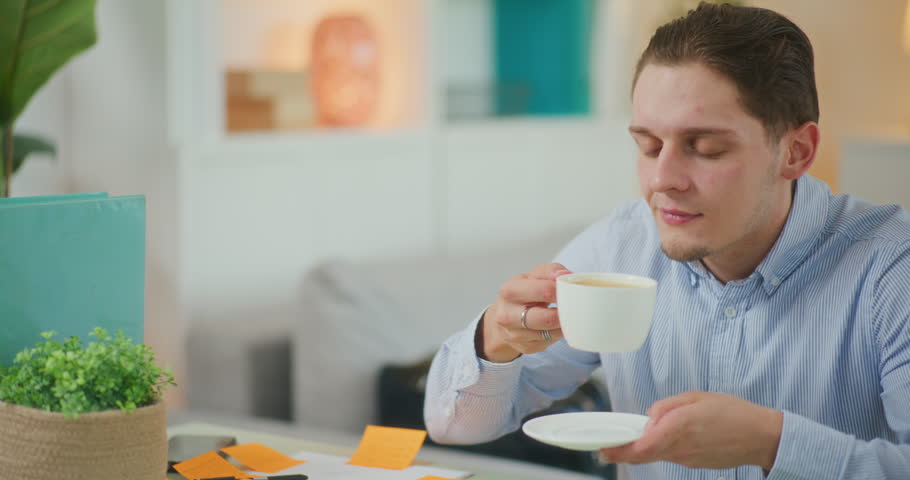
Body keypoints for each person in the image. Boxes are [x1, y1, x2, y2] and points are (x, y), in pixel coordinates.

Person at [423, 3, 910, 479]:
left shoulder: (892, 269)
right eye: (648, 146)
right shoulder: (620, 244)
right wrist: (496, 340)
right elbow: (453, 426)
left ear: (796, 152)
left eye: (706, 149)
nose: (663, 180)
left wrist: (773, 442)